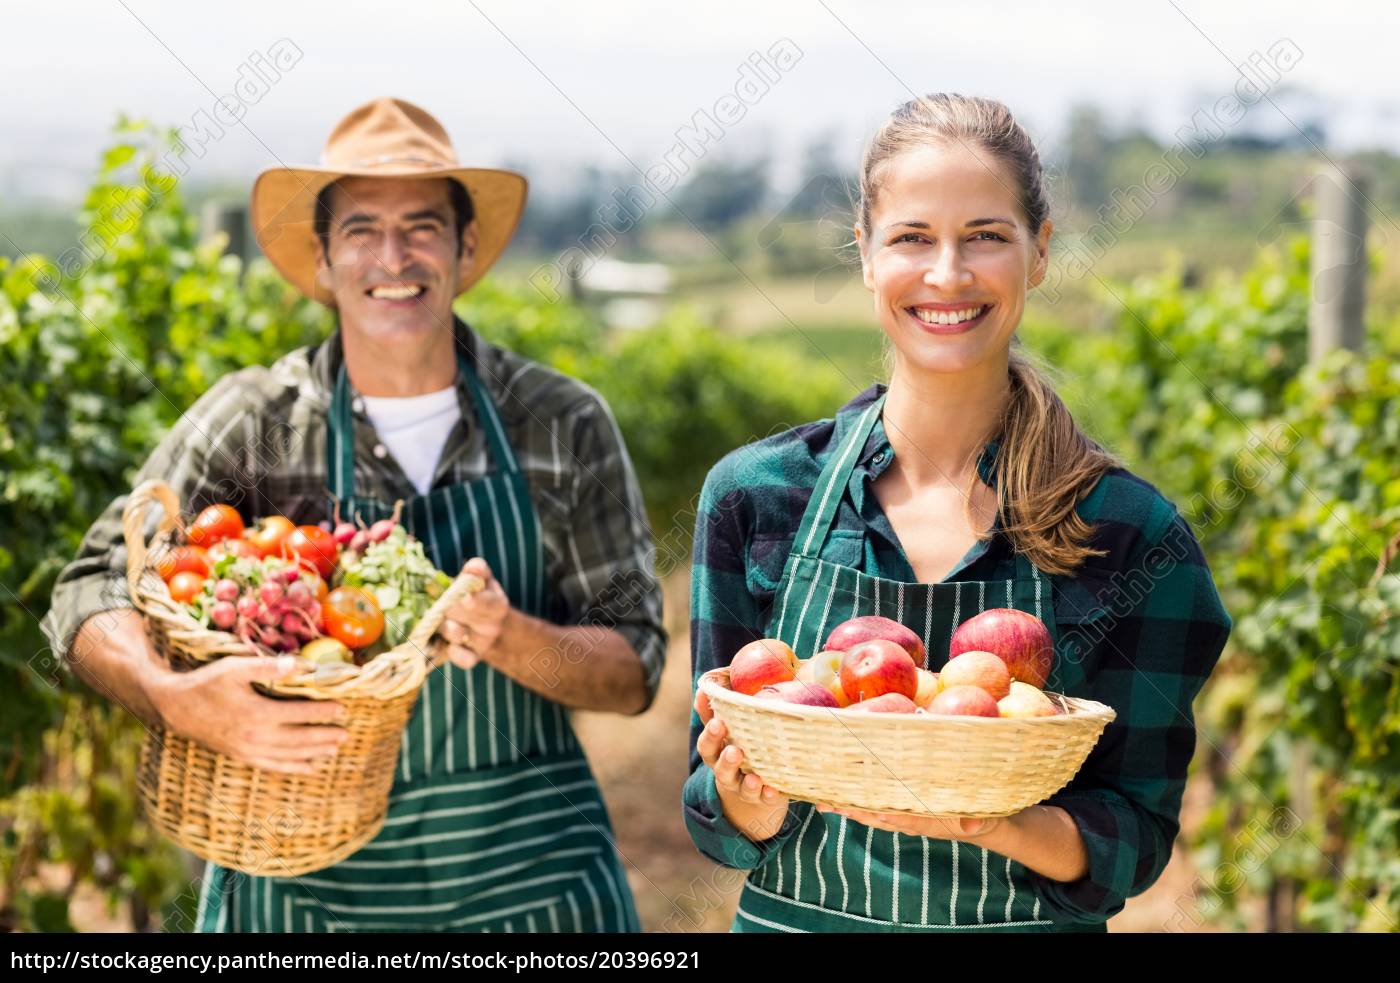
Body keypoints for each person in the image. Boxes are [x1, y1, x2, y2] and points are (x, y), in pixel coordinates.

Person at [41, 97, 665, 933]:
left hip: (534, 897)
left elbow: (634, 670)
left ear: (463, 246)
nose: (393, 256)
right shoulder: (256, 423)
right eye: (362, 229)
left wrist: (509, 635)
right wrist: (172, 695)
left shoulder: (559, 422)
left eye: (422, 227)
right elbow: (89, 586)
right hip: (308, 901)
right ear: (326, 259)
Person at [683, 93, 1232, 933]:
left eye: (985, 235)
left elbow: (1137, 834)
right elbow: (712, 812)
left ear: (1039, 253)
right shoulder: (758, 498)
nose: (947, 273)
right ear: (865, 255)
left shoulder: (1129, 535)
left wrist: (997, 822)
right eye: (911, 237)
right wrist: (741, 801)